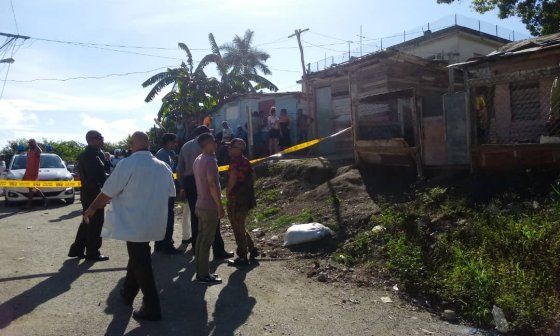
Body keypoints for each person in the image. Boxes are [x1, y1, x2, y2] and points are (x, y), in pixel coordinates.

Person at [83, 131, 175, 321]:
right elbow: (171, 193)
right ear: (148, 145)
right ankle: (127, 293)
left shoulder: (127, 163)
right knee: (138, 256)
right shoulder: (163, 166)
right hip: (154, 223)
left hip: (133, 223)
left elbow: (107, 192)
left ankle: (152, 306)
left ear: (133, 144)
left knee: (141, 262)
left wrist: (91, 208)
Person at [176, 126, 233, 259]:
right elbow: (211, 176)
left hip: (190, 183)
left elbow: (179, 168)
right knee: (213, 214)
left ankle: (197, 249)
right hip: (203, 181)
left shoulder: (185, 146)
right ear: (206, 136)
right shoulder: (206, 148)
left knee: (196, 216)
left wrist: (183, 186)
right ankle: (218, 250)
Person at [68, 131, 109, 261]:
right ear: (91, 140)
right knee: (96, 223)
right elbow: (92, 179)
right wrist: (100, 198)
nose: (102, 140)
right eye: (99, 138)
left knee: (87, 221)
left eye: (102, 137)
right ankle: (93, 252)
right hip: (92, 193)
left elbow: (102, 173)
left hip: (91, 193)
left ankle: (77, 249)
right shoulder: (89, 155)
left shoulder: (97, 154)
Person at [193, 132, 224, 284]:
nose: (216, 144)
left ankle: (200, 271)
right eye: (214, 141)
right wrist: (220, 206)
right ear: (208, 143)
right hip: (209, 206)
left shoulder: (198, 159)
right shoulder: (210, 160)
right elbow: (212, 184)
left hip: (199, 204)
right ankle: (203, 275)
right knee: (207, 240)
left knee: (200, 238)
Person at [226, 138, 259, 266]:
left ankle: (242, 257)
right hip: (246, 198)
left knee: (237, 227)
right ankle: (252, 249)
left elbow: (232, 179)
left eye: (231, 147)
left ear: (238, 149)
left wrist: (228, 192)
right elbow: (253, 176)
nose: (229, 149)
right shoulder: (246, 161)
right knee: (241, 225)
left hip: (236, 199)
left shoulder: (235, 163)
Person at [154, 133, 181, 254]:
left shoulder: (169, 153)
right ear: (168, 142)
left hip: (167, 190)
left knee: (165, 217)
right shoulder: (161, 155)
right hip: (163, 191)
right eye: (174, 142)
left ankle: (161, 244)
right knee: (167, 218)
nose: (176, 144)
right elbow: (166, 173)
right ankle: (166, 245)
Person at [22, 139, 44, 209]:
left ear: (33, 144)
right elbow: (28, 164)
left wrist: (35, 144)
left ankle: (29, 205)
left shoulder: (36, 151)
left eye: (30, 143)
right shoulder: (29, 152)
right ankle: (45, 200)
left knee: (31, 189)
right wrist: (25, 174)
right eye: (29, 143)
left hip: (33, 173)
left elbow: (40, 151)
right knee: (32, 188)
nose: (29, 145)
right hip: (28, 172)